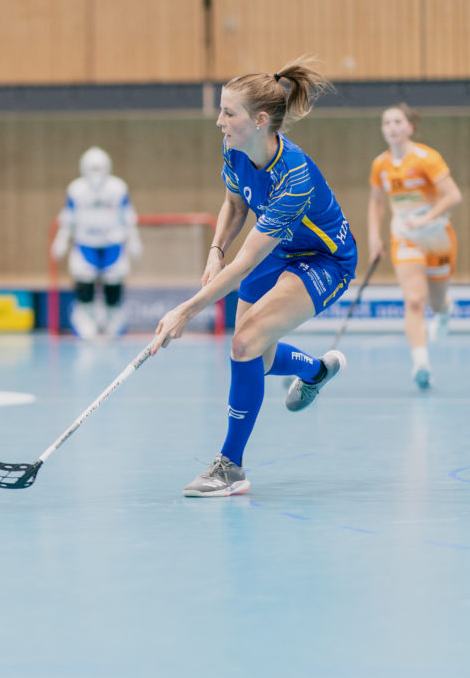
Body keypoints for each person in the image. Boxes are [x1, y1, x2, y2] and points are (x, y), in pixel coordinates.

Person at [150, 57, 357, 497]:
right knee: (257, 358)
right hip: (279, 246)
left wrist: (184, 312)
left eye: (229, 113)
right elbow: (235, 204)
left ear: (260, 120)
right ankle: (317, 370)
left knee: (243, 343)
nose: (219, 121)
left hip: (324, 260)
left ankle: (231, 467)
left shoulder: (294, 177)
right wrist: (214, 252)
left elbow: (246, 263)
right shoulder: (235, 147)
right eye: (221, 110)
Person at [367, 103, 462, 389]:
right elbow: (376, 202)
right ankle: (421, 363)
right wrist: (374, 236)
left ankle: (445, 311)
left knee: (435, 301)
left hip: (436, 236)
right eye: (387, 123)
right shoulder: (380, 165)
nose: (392, 128)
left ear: (410, 127)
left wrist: (426, 219)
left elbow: (453, 195)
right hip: (405, 237)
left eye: (398, 122)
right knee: (414, 300)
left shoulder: (426, 158)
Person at [51, 146, 144, 338]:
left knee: (114, 281)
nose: (96, 174)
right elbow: (68, 218)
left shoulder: (118, 188)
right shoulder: (76, 189)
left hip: (113, 244)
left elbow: (127, 216)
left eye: (99, 168)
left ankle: (112, 321)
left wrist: (134, 239)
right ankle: (86, 320)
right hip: (85, 244)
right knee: (83, 280)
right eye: (92, 168)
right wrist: (61, 239)